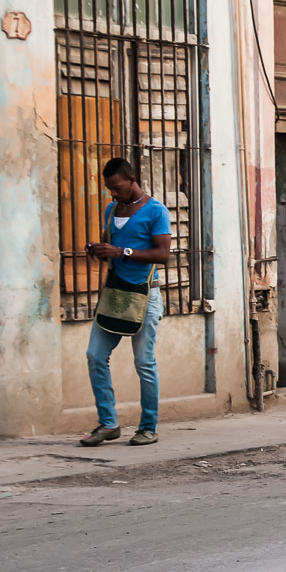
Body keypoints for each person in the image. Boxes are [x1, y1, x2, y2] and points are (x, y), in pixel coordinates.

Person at [79, 158, 172, 447]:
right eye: (109, 189)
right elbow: (112, 249)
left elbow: (163, 254)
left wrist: (122, 251)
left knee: (144, 362)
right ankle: (108, 424)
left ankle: (148, 427)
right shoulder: (111, 210)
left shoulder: (156, 211)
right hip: (116, 294)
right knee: (95, 355)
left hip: (145, 295)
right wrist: (99, 250)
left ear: (133, 179)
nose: (113, 194)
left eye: (117, 188)